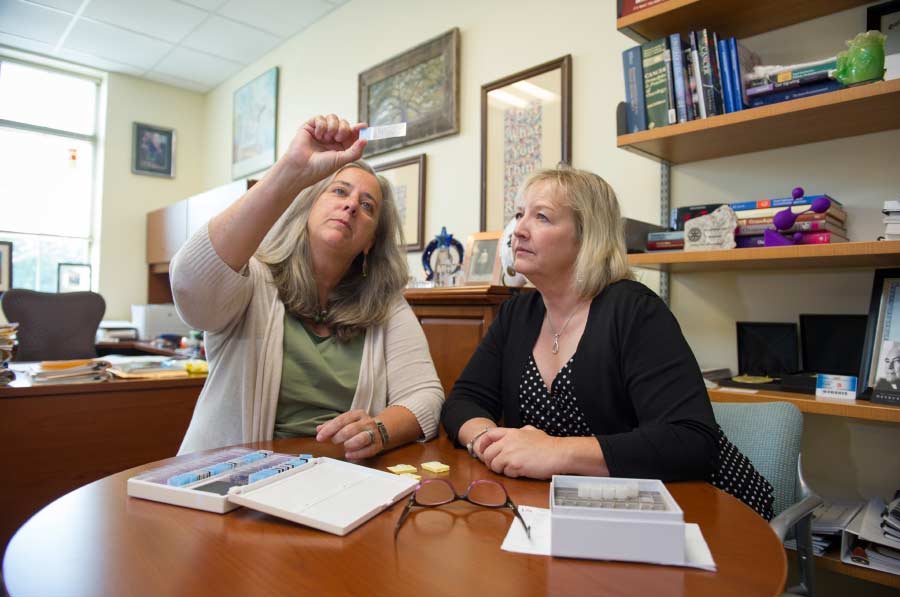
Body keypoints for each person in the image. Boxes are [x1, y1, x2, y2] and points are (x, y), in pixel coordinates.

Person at [441, 166, 773, 518]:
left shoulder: (634, 310)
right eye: (519, 215)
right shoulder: (516, 314)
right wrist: (488, 441)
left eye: (542, 217)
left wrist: (554, 451)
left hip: (709, 507)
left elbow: (690, 441)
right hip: (599, 511)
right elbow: (463, 401)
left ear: (588, 236)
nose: (518, 230)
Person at [171, 114, 444, 458]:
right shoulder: (254, 279)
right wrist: (291, 170)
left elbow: (425, 397)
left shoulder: (386, 306)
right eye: (340, 191)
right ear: (308, 208)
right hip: (230, 474)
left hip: (338, 478)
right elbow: (191, 287)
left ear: (370, 243)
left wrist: (378, 430)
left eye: (367, 206)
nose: (351, 205)